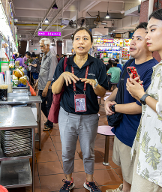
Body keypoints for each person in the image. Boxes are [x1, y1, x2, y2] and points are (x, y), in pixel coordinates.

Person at [126, 5, 162, 192]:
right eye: (147, 31)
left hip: (160, 159)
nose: (147, 36)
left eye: (153, 30)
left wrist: (141, 95)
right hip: (154, 152)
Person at [52, 27, 108, 192]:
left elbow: (102, 92)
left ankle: (89, 181)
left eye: (85, 39)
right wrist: (62, 76)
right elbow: (55, 90)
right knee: (67, 151)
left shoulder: (98, 64)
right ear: (73, 43)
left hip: (90, 116)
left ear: (91, 43)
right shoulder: (64, 63)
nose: (81, 42)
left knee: (88, 152)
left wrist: (95, 84)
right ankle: (68, 180)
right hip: (67, 115)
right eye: (77, 38)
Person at [104, 22, 158, 192]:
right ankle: (123, 189)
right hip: (121, 127)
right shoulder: (129, 63)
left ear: (149, 42)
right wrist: (107, 100)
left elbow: (141, 106)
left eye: (139, 39)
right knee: (125, 171)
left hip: (135, 134)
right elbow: (119, 88)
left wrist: (115, 108)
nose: (132, 42)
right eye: (132, 38)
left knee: (134, 175)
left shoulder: (153, 69)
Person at [38, 38, 58, 131]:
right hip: (42, 85)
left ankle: (50, 123)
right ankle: (50, 120)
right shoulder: (44, 56)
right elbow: (43, 70)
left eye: (42, 46)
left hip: (48, 87)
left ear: (47, 46)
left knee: (49, 105)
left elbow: (52, 74)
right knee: (41, 104)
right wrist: (38, 81)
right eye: (40, 46)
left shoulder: (52, 57)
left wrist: (46, 87)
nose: (41, 48)